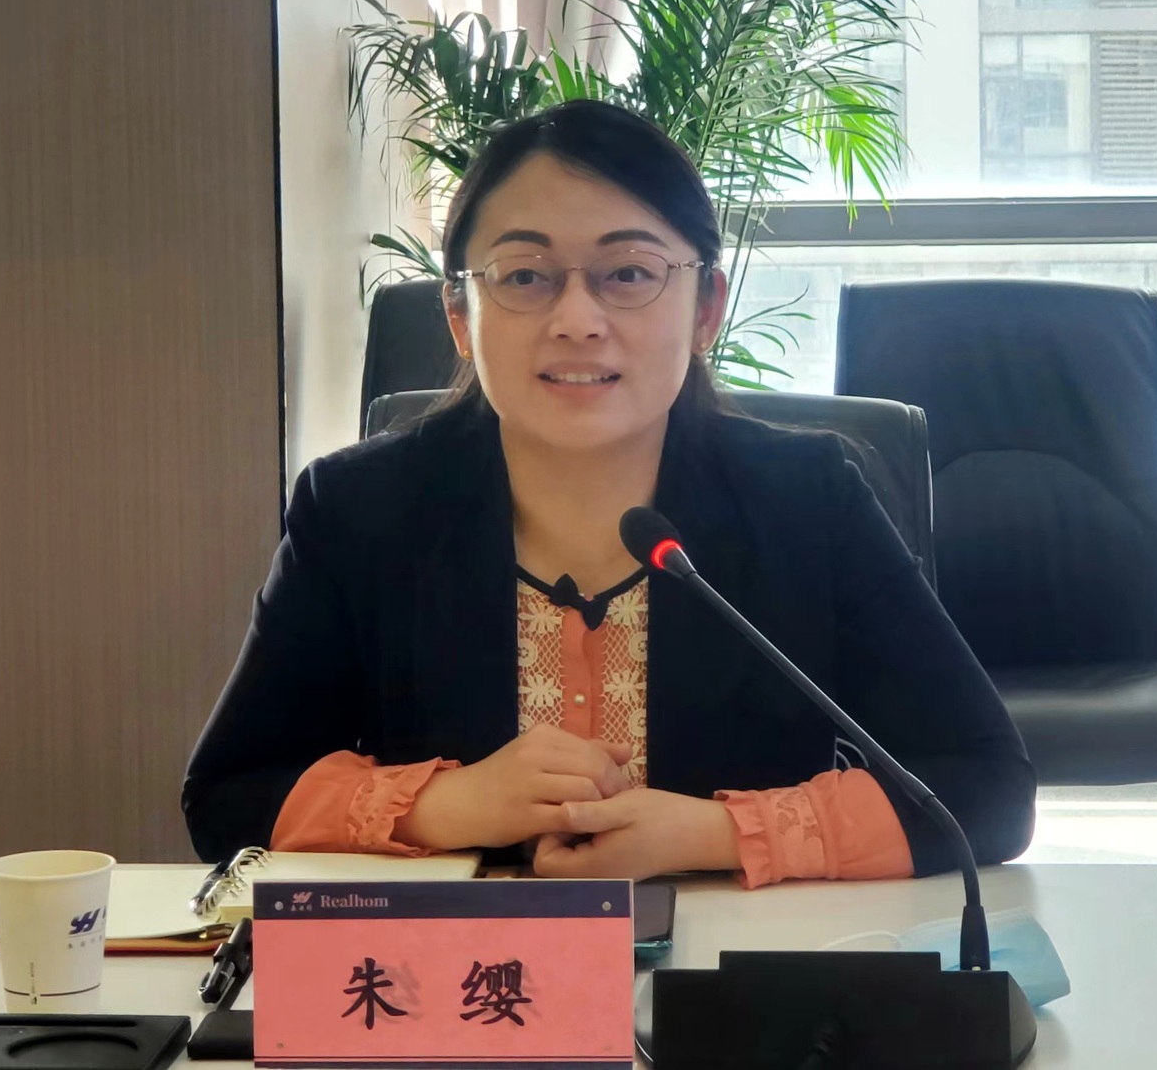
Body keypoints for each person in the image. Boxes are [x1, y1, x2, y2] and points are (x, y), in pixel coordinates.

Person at [182, 100, 1035, 886]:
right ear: (460, 317)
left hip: (737, 974)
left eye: (628, 274)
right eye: (525, 276)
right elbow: (229, 793)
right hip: (454, 980)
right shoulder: (358, 510)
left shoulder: (809, 500)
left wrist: (713, 833)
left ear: (706, 310)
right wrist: (448, 804)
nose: (578, 319)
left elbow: (986, 784)